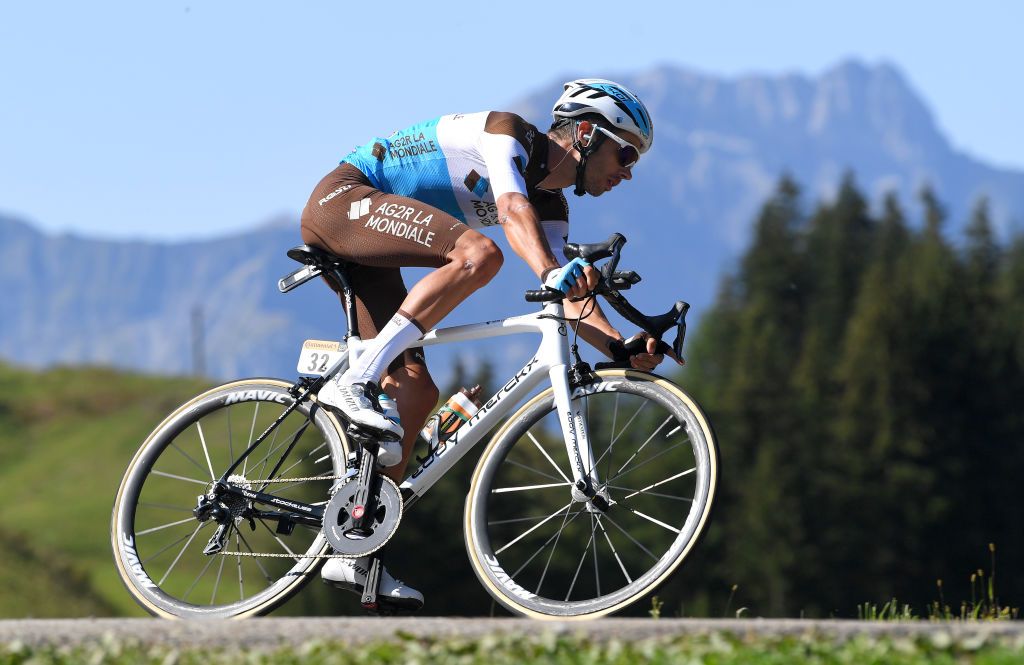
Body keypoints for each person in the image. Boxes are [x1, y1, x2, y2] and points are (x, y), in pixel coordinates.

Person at [299, 78, 674, 611]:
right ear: (587, 133)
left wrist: (619, 346)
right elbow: (514, 212)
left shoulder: (552, 201)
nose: (629, 171)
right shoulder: (509, 136)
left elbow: (565, 297)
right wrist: (552, 268)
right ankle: (354, 381)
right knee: (479, 255)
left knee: (414, 393)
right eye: (626, 152)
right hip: (344, 200)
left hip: (372, 241)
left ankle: (354, 549)